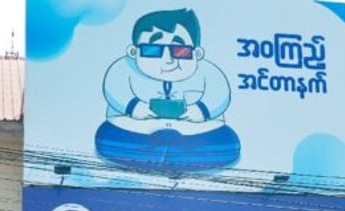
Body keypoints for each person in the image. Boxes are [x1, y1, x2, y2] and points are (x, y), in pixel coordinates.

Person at [95, 8, 241, 171]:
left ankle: (180, 157)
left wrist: (201, 111)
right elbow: (115, 89)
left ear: (197, 53)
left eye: (180, 51)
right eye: (152, 51)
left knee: (225, 142)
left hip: (195, 129)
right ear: (133, 51)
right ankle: (151, 156)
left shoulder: (209, 72)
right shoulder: (123, 68)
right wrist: (134, 108)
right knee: (110, 137)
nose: (168, 60)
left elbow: (219, 95)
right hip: (136, 126)